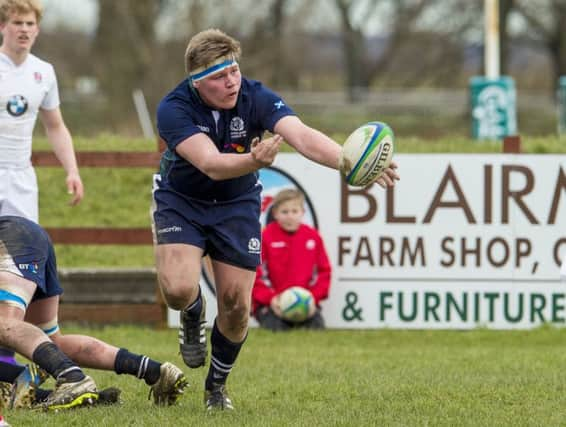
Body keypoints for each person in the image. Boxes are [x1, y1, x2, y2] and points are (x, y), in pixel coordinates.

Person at [152, 28, 400, 411]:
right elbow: (211, 164)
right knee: (178, 289)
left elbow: (300, 135)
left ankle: (216, 388)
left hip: (236, 205)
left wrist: (348, 161)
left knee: (236, 304)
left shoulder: (255, 95)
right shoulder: (174, 107)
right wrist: (254, 160)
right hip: (182, 199)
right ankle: (193, 311)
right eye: (219, 76)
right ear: (196, 80)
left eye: (233, 70)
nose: (231, 81)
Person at [0, 215, 188, 410]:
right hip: (27, 236)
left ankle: (72, 377)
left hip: (11, 239)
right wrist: (43, 394)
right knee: (54, 343)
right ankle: (153, 370)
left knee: (4, 323)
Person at [0, 0, 84, 366]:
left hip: (21, 182)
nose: (23, 29)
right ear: (3, 26)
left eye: (29, 23)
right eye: (17, 22)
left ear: (38, 28)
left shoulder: (43, 73)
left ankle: (8, 366)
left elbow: (55, 125)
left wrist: (72, 170)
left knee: (17, 269)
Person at [252, 189, 331, 331]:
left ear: (303, 212)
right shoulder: (266, 237)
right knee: (277, 329)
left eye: (294, 211)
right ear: (275, 213)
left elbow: (324, 272)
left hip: (305, 303)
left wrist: (313, 298)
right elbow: (256, 274)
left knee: (317, 329)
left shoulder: (313, 237)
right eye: (285, 212)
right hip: (273, 304)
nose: (290, 216)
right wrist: (271, 299)